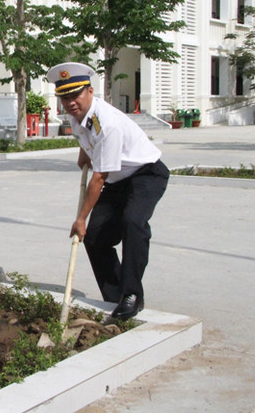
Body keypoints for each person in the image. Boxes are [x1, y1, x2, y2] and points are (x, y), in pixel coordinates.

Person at [47, 62, 169, 320]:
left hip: (145, 174)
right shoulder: (78, 114)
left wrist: (80, 219)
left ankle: (132, 296)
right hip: (118, 180)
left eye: (76, 95)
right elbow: (86, 136)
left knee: (133, 223)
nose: (70, 103)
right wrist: (85, 152)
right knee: (95, 238)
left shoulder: (108, 122)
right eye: (64, 97)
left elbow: (99, 178)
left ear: (90, 91)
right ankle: (115, 297)